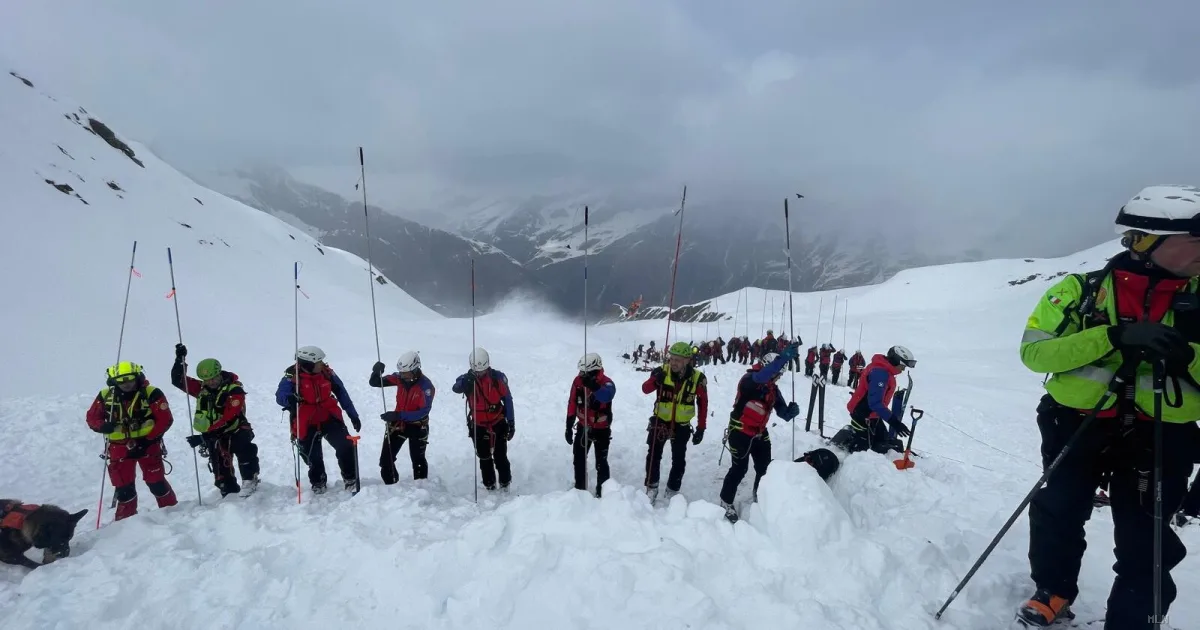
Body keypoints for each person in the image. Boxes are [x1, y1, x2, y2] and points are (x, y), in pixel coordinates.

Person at [1015, 185, 1200, 629]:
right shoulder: (1081, 291)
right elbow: (1035, 353)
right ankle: (1053, 590)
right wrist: (1112, 337)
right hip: (1077, 422)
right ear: (1148, 241)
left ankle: (1134, 620)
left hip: (1162, 433)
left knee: (1146, 535)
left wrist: (1188, 355)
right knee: (1059, 509)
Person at [718, 346, 801, 522]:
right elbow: (761, 377)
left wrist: (791, 412)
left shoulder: (772, 389)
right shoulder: (749, 380)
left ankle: (760, 496)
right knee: (739, 469)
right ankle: (726, 501)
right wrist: (783, 358)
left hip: (760, 433)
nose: (778, 378)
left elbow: (783, 413)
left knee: (764, 468)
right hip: (740, 431)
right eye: (778, 373)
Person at [85, 362, 177, 520]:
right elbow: (92, 417)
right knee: (124, 489)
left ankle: (174, 514)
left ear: (137, 377)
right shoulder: (106, 395)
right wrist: (102, 426)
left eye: (130, 379)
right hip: (119, 447)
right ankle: (125, 522)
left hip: (148, 445)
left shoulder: (151, 393)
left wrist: (148, 440)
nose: (126, 384)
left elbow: (165, 419)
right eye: (121, 380)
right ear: (114, 381)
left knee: (157, 483)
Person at [171, 345, 260, 498]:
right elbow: (178, 380)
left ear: (219, 374)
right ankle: (228, 492)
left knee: (245, 449)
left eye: (214, 378)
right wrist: (180, 360)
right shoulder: (202, 389)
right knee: (220, 468)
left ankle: (250, 480)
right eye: (207, 379)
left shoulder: (234, 390)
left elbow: (230, 417)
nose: (211, 382)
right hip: (214, 435)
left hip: (235, 429)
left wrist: (204, 437)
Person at [275, 346, 362, 494]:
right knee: (312, 456)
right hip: (305, 420)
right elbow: (280, 396)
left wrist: (353, 415)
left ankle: (351, 478)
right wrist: (289, 399)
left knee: (345, 446)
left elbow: (342, 392)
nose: (322, 364)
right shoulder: (292, 376)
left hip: (329, 416)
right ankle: (318, 482)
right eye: (318, 362)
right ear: (308, 364)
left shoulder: (326, 373)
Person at [642, 342, 709, 502]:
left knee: (678, 459)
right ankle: (652, 486)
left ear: (687, 360)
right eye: (671, 358)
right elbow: (645, 389)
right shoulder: (661, 371)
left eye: (678, 360)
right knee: (653, 455)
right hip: (660, 421)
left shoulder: (698, 378)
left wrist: (701, 428)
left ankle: (672, 488)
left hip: (682, 425)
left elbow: (703, 403)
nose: (673, 363)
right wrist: (655, 381)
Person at [832, 346, 915, 454]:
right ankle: (845, 453)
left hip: (872, 414)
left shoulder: (884, 370)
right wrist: (895, 422)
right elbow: (875, 403)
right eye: (902, 366)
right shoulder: (880, 374)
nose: (903, 370)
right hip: (863, 413)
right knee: (864, 451)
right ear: (895, 361)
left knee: (883, 441)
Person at [453, 348, 515, 491]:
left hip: (498, 422)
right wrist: (466, 382)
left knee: (500, 456)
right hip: (478, 425)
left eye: (482, 371)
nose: (480, 374)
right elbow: (456, 387)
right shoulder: (467, 379)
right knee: (484, 457)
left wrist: (511, 423)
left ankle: (505, 483)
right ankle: (489, 484)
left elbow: (508, 400)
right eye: (477, 371)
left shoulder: (497, 378)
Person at [370, 351, 435, 484]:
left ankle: (421, 488)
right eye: (401, 372)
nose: (402, 375)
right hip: (399, 424)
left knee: (418, 459)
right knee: (386, 460)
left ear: (415, 370)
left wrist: (398, 415)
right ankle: (391, 485)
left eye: (406, 373)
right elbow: (375, 382)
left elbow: (423, 412)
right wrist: (376, 371)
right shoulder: (399, 378)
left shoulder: (426, 387)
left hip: (417, 425)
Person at [566, 353, 617, 496]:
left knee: (601, 462)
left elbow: (607, 396)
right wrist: (568, 425)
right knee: (579, 458)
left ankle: (603, 491)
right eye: (580, 371)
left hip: (602, 429)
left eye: (584, 371)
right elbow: (572, 402)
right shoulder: (578, 381)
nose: (581, 374)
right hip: (583, 427)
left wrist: (594, 386)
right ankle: (580, 488)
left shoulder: (607, 383)